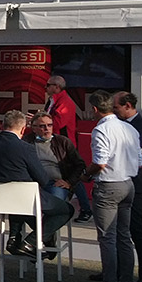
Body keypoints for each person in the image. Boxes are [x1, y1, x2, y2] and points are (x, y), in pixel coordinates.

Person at [0, 110, 74, 258]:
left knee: (21, 208)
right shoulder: (25, 148)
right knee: (66, 210)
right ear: (23, 128)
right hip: (25, 201)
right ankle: (31, 242)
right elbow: (43, 180)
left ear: (2, 125)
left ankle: (17, 239)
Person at [83, 90, 142, 282]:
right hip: (128, 183)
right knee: (123, 237)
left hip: (109, 185)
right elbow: (140, 161)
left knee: (108, 238)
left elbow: (100, 162)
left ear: (96, 109)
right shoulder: (129, 128)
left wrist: (85, 175)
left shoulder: (101, 130)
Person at [112, 91, 142, 282]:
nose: (114, 111)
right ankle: (118, 271)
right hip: (121, 181)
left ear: (127, 105)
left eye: (116, 107)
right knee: (118, 228)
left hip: (136, 183)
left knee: (137, 230)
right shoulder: (120, 124)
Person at [45, 75, 92, 222]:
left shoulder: (65, 102)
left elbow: (57, 124)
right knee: (69, 178)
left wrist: (39, 122)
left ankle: (85, 209)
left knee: (74, 178)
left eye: (48, 85)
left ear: (57, 87)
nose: (46, 88)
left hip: (64, 146)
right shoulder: (53, 100)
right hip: (56, 144)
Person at [22, 111, 85, 202]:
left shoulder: (62, 142)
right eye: (42, 126)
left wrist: (69, 182)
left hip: (55, 183)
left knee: (55, 205)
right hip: (33, 183)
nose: (47, 128)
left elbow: (80, 165)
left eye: (50, 125)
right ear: (34, 128)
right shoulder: (26, 142)